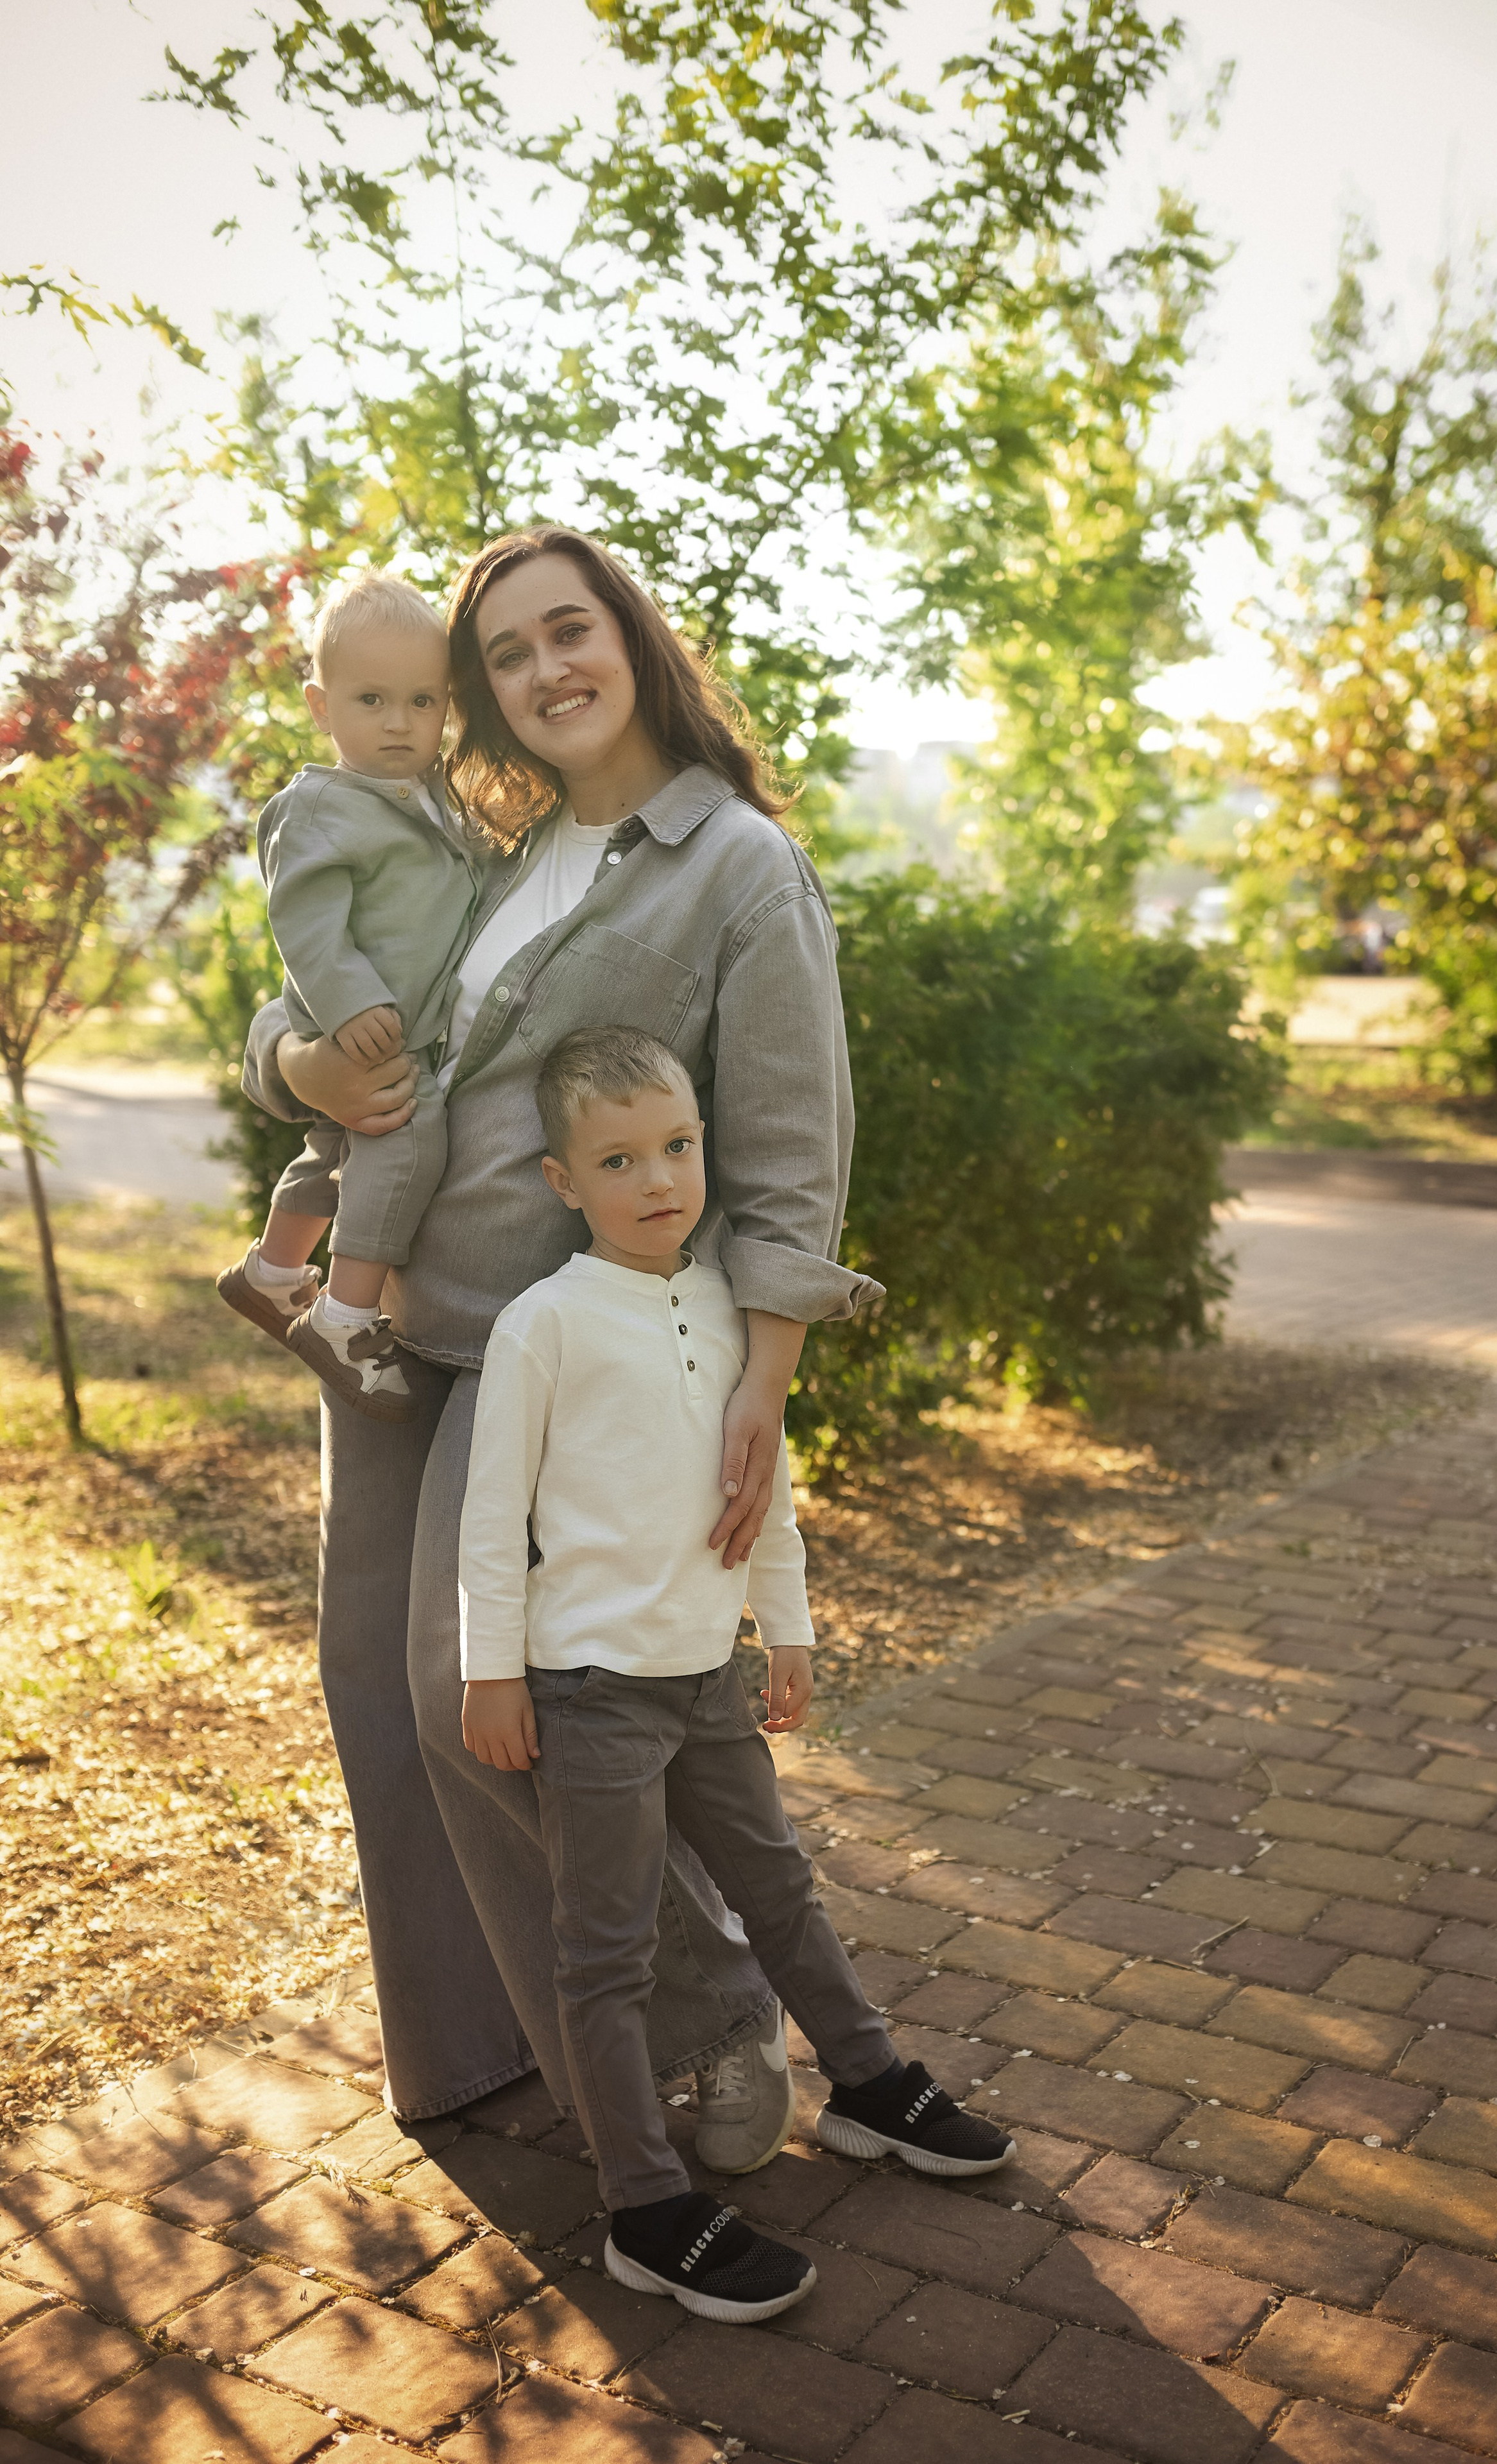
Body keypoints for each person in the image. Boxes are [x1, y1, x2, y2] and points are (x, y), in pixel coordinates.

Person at [238, 526, 874, 2163]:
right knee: (379, 1692)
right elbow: (316, 992)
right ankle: (475, 2043)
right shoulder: (481, 840)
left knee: (481, 1694)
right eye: (502, 657)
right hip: (384, 1332)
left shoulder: (735, 865)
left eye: (565, 632)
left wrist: (763, 1380)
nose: (540, 674)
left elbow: (793, 1153)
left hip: (551, 1346)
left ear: (632, 640)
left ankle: (710, 2020)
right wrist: (297, 1068)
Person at [457, 1023, 1014, 2320]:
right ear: (562, 1182)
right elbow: (491, 1517)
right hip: (589, 1689)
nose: (658, 1179)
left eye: (677, 1146)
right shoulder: (544, 1324)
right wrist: (492, 1673)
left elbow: (761, 1485)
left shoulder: (729, 1308)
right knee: (605, 1958)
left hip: (707, 1676)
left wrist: (791, 1626)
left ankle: (870, 2088)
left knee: (780, 1888)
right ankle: (643, 2207)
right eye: (618, 1158)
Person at [219, 570, 479, 1421]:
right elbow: (305, 919)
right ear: (321, 705)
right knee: (407, 1137)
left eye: (422, 701)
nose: (400, 723)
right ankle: (345, 1316)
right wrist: (349, 1002)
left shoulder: (432, 797)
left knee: (332, 1157)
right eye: (372, 700)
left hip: (381, 1026)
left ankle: (272, 1272)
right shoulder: (319, 807)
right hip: (362, 1026)